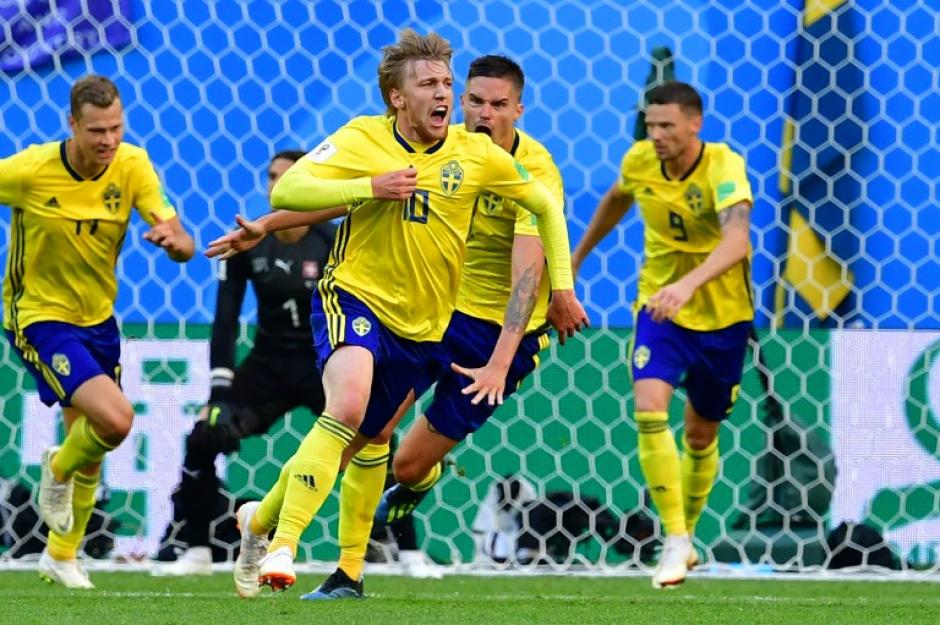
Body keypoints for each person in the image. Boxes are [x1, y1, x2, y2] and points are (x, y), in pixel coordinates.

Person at [225, 29, 586, 598]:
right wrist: (274, 225)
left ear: (519, 109)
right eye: (463, 96)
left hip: (486, 331)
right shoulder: (389, 141)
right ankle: (319, 559)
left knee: (407, 464)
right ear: (404, 97)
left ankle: (263, 520)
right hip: (401, 306)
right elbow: (318, 190)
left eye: (490, 102)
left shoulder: (500, 162)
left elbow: (529, 262)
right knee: (355, 424)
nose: (471, 108)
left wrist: (554, 300)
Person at [0, 75, 195, 588]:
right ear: (72, 125)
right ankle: (57, 469)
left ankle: (61, 555)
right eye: (96, 131)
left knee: (93, 437)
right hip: (38, 316)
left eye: (115, 127)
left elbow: (182, 241)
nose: (108, 140)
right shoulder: (29, 171)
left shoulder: (131, 164)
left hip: (99, 320)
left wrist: (174, 242)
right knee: (117, 419)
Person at [570, 81, 754, 588]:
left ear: (695, 123)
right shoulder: (639, 161)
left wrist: (689, 284)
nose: (656, 135)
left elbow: (737, 240)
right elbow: (615, 198)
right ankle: (674, 539)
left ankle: (685, 536)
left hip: (722, 315)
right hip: (659, 307)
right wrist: (577, 258)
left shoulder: (722, 165)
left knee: (701, 433)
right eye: (651, 125)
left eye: (666, 126)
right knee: (649, 405)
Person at [151, 151, 336, 576]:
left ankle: (400, 546)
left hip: (322, 363)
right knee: (204, 435)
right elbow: (226, 320)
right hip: (267, 366)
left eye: (288, 177)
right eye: (272, 177)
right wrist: (218, 392)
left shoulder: (334, 241)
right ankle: (198, 550)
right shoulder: (249, 240)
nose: (277, 186)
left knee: (376, 433)